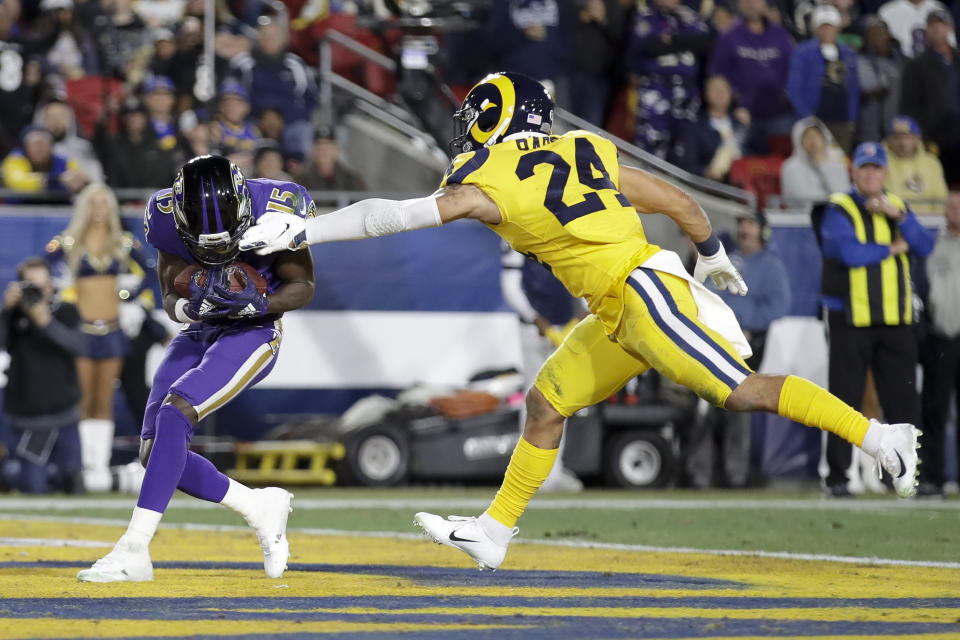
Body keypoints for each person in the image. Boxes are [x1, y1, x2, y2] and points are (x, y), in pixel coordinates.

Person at [241, 72, 921, 570]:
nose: (466, 127)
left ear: (494, 118)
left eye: (474, 115)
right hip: (623, 299)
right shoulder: (584, 148)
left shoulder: (490, 179)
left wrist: (306, 229)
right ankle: (495, 531)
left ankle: (881, 435)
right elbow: (681, 202)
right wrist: (710, 255)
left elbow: (386, 217)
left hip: (643, 294)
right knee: (545, 403)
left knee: (738, 391)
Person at [76, 154, 316, 582]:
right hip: (202, 326)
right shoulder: (165, 213)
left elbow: (302, 285)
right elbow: (171, 296)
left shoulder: (278, 205)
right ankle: (258, 506)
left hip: (255, 331)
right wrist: (190, 306)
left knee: (176, 412)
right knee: (155, 453)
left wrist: (258, 303)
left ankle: (134, 549)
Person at [812, 142, 934, 498]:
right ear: (855, 172)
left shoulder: (897, 206)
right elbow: (846, 252)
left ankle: (909, 477)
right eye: (864, 168)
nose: (870, 174)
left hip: (894, 320)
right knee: (843, 401)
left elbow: (924, 245)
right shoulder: (840, 207)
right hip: (851, 319)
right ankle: (837, 478)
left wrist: (900, 220)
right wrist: (892, 248)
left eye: (876, 168)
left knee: (904, 403)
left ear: (884, 172)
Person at [45, 183, 154, 492]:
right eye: (92, 204)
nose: (98, 210)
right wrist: (63, 294)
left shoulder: (123, 242)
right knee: (83, 398)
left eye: (104, 204)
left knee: (104, 399)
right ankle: (83, 465)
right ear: (83, 208)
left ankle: (100, 467)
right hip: (81, 329)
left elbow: (149, 272)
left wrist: (126, 294)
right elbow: (44, 269)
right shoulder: (68, 242)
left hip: (112, 329)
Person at [687, 212, 791, 488]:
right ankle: (700, 475)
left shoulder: (771, 267)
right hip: (713, 340)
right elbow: (706, 293)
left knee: (738, 408)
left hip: (746, 343)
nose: (744, 229)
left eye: (750, 225)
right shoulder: (727, 260)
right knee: (705, 406)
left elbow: (778, 307)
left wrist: (741, 318)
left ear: (762, 231)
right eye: (741, 224)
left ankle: (735, 475)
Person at [501, 246, 585, 492]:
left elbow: (580, 274)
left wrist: (582, 312)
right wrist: (537, 319)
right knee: (535, 397)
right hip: (534, 328)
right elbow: (511, 287)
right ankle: (528, 473)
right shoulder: (518, 227)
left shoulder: (566, 225)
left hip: (566, 325)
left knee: (561, 399)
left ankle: (552, 471)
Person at [1, 257, 84, 494]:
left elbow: (78, 346)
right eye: (31, 286)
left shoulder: (66, 311)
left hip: (65, 417)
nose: (40, 291)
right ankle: (9, 474)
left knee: (73, 486)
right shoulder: (13, 317)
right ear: (19, 287)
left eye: (43, 285)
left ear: (51, 285)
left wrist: (45, 322)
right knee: (33, 487)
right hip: (30, 421)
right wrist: (7, 311)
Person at [626, 0, 712, 162]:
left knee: (683, 148)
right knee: (651, 145)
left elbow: (704, 42)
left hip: (686, 93)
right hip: (656, 90)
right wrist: (685, 44)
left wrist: (672, 41)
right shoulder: (646, 16)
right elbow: (649, 46)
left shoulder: (690, 17)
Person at [709, 0, 794, 154]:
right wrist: (733, 103)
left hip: (778, 114)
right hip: (740, 116)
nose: (751, 4)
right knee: (740, 166)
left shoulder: (780, 34)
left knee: (779, 164)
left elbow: (792, 71)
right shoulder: (728, 36)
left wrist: (785, 96)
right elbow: (718, 76)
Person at [919, 191, 960, 497]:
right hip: (940, 337)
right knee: (934, 411)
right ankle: (932, 478)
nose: (955, 210)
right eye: (951, 204)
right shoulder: (932, 245)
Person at [787, 4, 860, 154]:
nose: (827, 31)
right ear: (815, 28)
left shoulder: (848, 54)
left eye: (830, 27)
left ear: (837, 28)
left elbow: (854, 88)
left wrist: (852, 116)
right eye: (823, 27)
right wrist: (806, 116)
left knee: (840, 160)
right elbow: (794, 88)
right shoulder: (803, 53)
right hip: (814, 118)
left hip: (842, 117)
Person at [900, 9, 960, 183]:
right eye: (931, 26)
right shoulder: (916, 65)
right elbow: (908, 106)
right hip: (934, 137)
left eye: (940, 25)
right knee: (937, 182)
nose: (936, 29)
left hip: (958, 134)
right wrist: (919, 137)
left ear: (949, 28)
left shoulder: (958, 60)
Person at [681, 75, 749, 182]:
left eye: (723, 90)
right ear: (706, 95)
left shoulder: (741, 123)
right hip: (714, 186)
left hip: (745, 183)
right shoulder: (696, 128)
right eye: (715, 90)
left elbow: (758, 153)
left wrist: (748, 125)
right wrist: (705, 172)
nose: (720, 94)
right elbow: (689, 166)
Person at [883, 115, 947, 215]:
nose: (902, 143)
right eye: (897, 138)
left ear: (917, 139)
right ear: (889, 140)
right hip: (893, 220)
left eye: (907, 137)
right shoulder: (881, 162)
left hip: (930, 221)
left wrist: (937, 219)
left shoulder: (931, 163)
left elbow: (941, 197)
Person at [781, 117, 851, 206]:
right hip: (801, 217)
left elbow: (843, 195)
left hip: (834, 215)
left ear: (825, 138)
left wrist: (823, 165)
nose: (813, 141)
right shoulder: (791, 167)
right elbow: (805, 200)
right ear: (798, 140)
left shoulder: (837, 163)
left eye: (816, 135)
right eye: (807, 136)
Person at [857, 17, 904, 145]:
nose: (877, 37)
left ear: (888, 35)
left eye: (881, 32)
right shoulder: (860, 60)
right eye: (872, 33)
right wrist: (872, 91)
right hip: (869, 122)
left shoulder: (901, 60)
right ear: (866, 38)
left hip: (896, 121)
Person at [2, 125, 88, 195]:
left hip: (58, 209)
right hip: (18, 210)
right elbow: (17, 181)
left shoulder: (64, 162)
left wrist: (81, 180)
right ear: (26, 147)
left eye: (44, 144)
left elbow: (77, 176)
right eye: (34, 144)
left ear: (51, 147)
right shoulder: (15, 160)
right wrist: (55, 180)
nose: (39, 148)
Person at [293, 127, 366, 191]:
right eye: (319, 147)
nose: (324, 151)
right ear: (312, 151)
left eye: (328, 147)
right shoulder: (300, 179)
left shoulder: (352, 179)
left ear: (337, 149)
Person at [878, 0, 953, 58]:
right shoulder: (887, 12)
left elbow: (951, 44)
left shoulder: (939, 8)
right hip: (900, 67)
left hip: (936, 65)